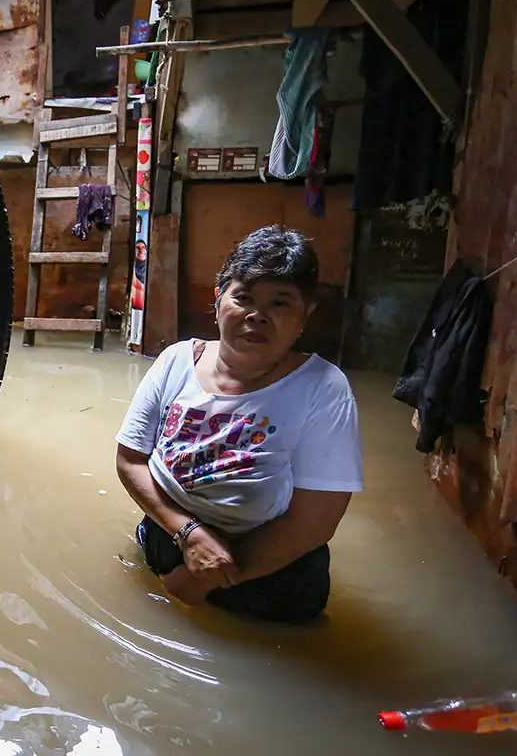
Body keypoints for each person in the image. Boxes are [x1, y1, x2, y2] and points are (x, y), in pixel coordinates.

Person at [115, 225, 363, 623]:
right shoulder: (176, 362)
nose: (257, 316)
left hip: (268, 578)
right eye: (243, 297)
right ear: (218, 301)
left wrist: (207, 578)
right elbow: (130, 460)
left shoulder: (323, 388)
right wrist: (188, 534)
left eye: (281, 303)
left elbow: (315, 521)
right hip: (166, 541)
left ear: (306, 312)